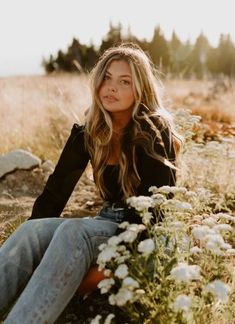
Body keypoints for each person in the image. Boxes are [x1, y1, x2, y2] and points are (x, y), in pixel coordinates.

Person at [0, 43, 182, 323]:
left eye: (124, 82)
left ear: (140, 90)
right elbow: (54, 194)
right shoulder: (89, 132)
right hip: (104, 224)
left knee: (74, 232)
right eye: (106, 78)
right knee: (31, 232)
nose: (112, 87)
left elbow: (154, 215)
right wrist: (41, 248)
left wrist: (109, 267)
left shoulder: (154, 133)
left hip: (144, 235)